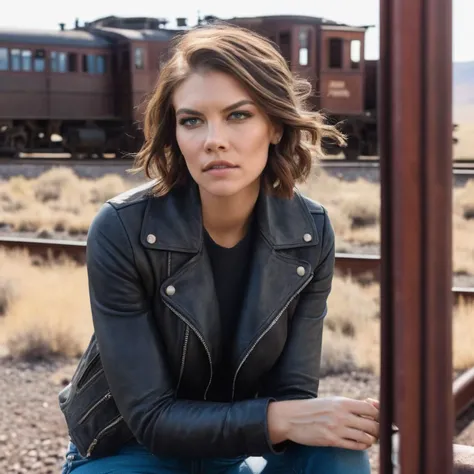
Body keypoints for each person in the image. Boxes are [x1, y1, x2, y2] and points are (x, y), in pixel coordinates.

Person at [58, 22, 380, 474]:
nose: (214, 140)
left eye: (238, 115)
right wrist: (278, 419)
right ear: (176, 133)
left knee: (339, 451)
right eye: (192, 120)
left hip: (231, 454)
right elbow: (151, 418)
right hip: (130, 455)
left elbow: (294, 395)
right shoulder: (123, 229)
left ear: (274, 124)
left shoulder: (309, 233)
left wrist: (337, 419)